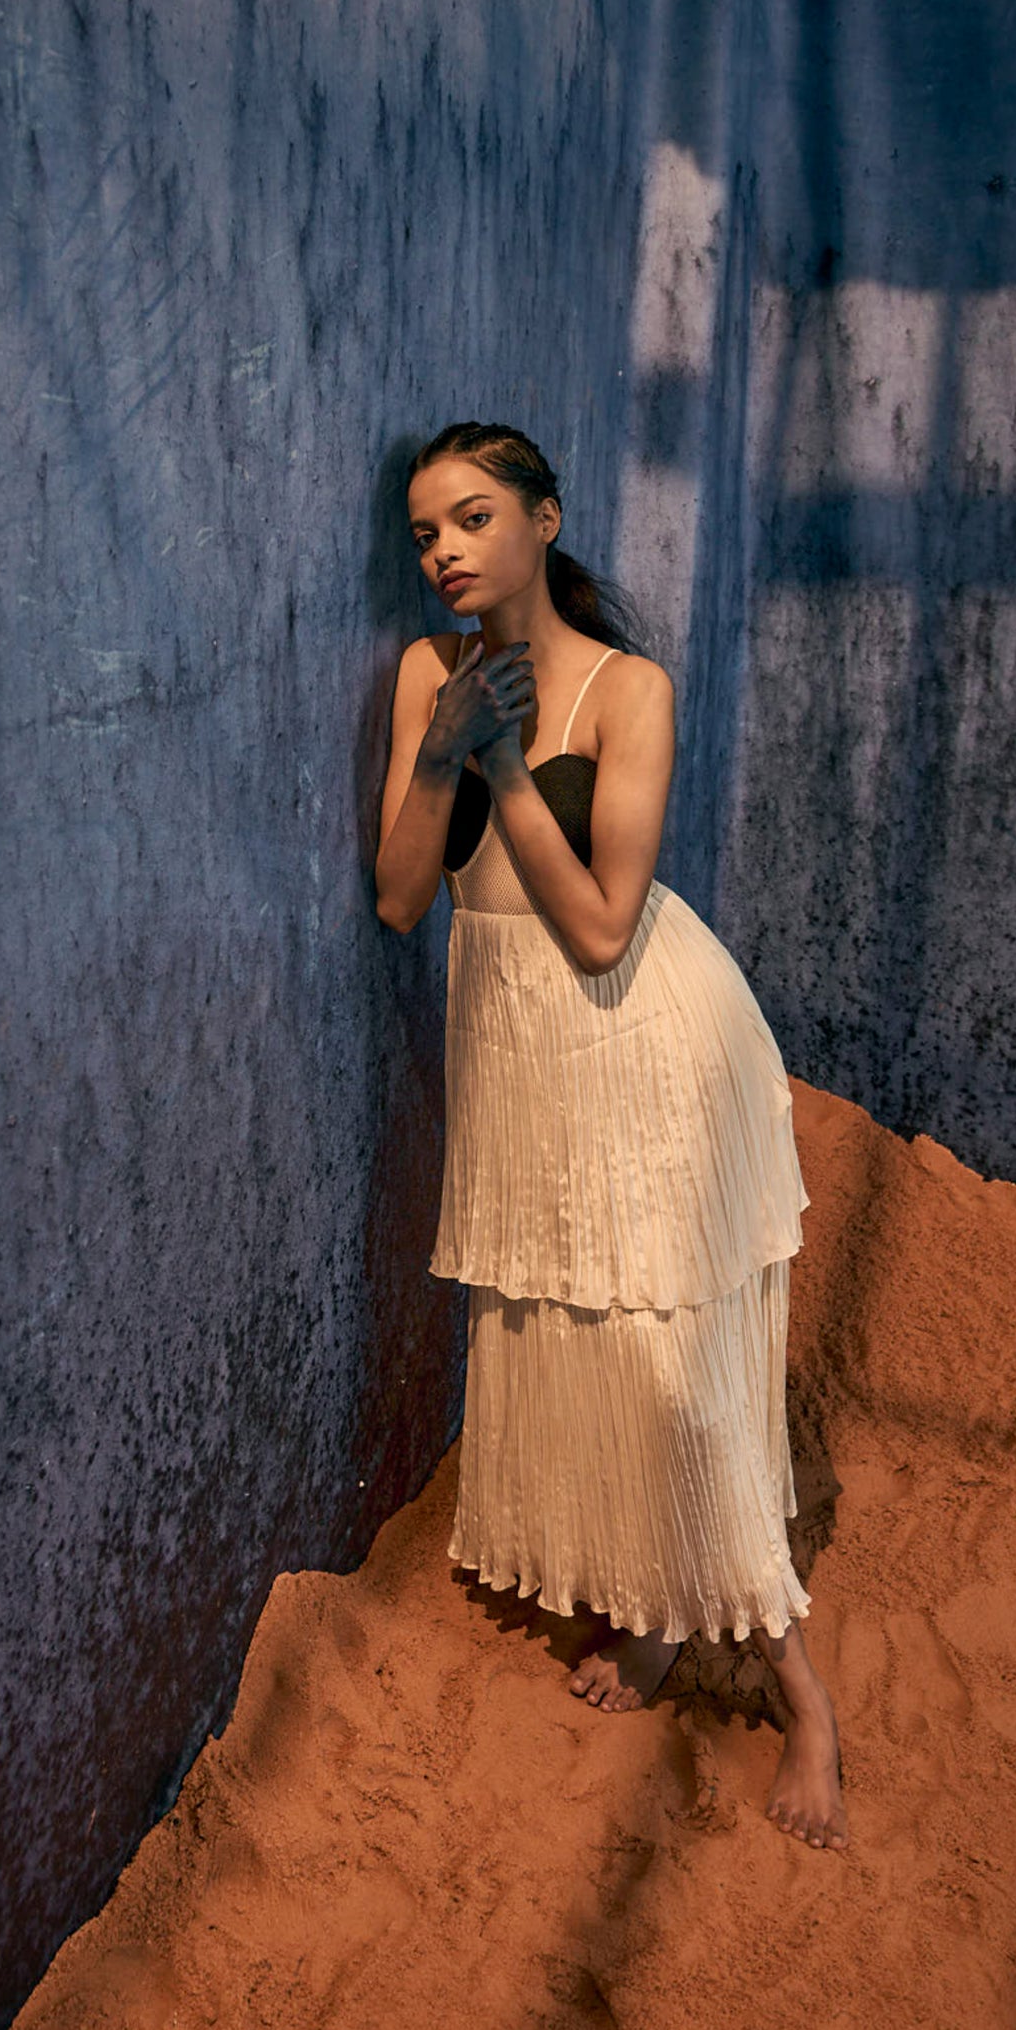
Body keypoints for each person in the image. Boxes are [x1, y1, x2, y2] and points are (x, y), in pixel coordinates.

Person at [374, 420, 847, 1851]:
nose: (445, 550)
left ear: (545, 519)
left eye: (472, 517)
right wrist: (442, 749)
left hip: (649, 1038)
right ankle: (648, 1616)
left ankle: (805, 1701)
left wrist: (505, 765)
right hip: (517, 1046)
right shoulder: (426, 675)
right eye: (423, 532)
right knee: (578, 1335)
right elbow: (401, 898)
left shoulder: (629, 690)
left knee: (668, 1367)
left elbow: (597, 929)